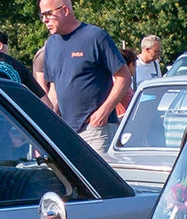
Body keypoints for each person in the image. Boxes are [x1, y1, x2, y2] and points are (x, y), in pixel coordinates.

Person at [39, 1, 130, 153]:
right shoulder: (51, 44)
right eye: (42, 15)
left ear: (65, 10)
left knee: (97, 177)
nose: (44, 20)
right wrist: (50, 123)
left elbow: (124, 77)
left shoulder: (95, 37)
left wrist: (103, 112)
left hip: (97, 131)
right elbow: (54, 89)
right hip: (67, 132)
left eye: (48, 14)